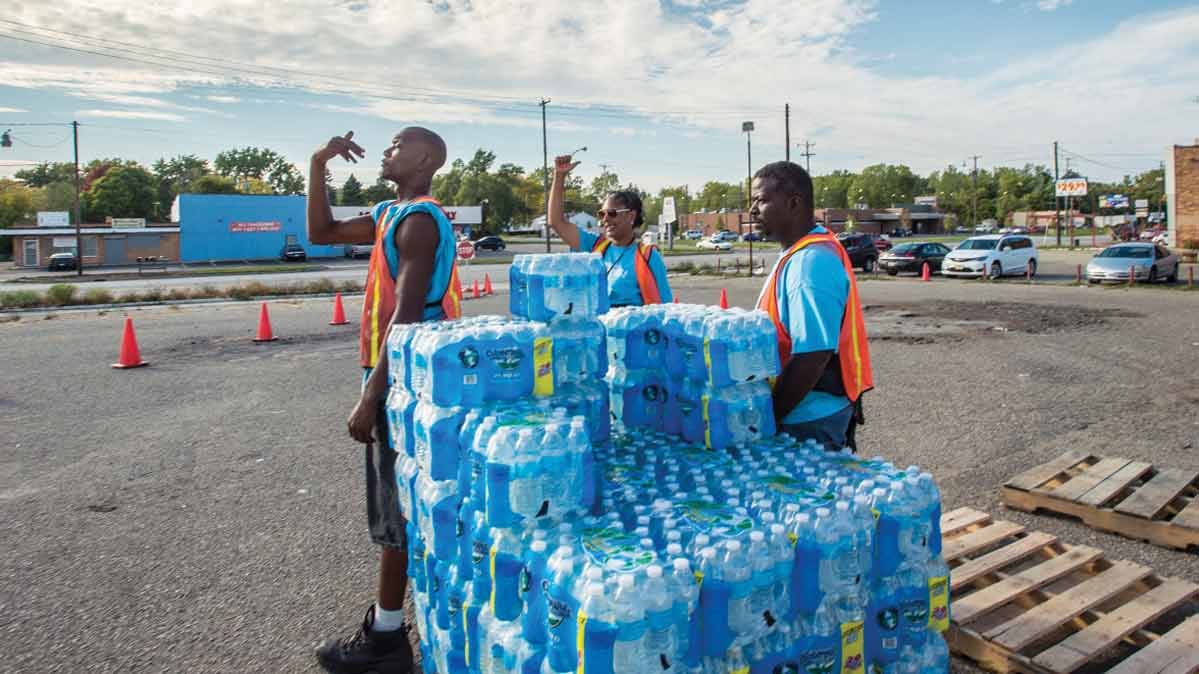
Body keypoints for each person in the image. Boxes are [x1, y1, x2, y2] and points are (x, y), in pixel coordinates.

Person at [306, 127, 460, 673]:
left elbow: (409, 312)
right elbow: (320, 230)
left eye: (395, 146)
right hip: (391, 371)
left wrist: (371, 397)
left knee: (398, 507)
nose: (385, 152)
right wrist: (318, 163)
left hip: (408, 380)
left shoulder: (420, 221)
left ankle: (389, 638)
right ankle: (392, 628)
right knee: (399, 506)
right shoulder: (389, 215)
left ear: (422, 160)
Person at [749, 161, 873, 450]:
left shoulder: (809, 263)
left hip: (809, 419)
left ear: (794, 203)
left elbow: (812, 355)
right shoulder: (798, 253)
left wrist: (768, 419)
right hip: (805, 413)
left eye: (762, 200)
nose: (753, 210)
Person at [548, 154, 673, 306]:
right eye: (602, 213)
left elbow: (666, 308)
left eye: (612, 213)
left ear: (631, 215)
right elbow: (557, 222)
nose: (605, 219)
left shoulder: (648, 256)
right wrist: (559, 175)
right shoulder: (594, 246)